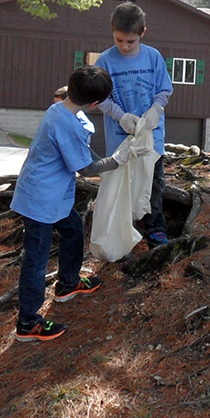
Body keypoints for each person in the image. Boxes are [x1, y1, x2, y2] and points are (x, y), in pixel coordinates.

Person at [10, 66, 139, 342]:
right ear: (94, 103)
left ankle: (68, 283)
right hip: (39, 200)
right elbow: (87, 167)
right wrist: (119, 159)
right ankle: (28, 322)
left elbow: (81, 146)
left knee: (73, 228)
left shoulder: (60, 109)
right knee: (36, 259)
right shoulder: (65, 123)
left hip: (51, 196)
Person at [94, 2, 174, 247]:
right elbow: (100, 98)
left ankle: (155, 229)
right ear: (112, 31)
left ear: (142, 33)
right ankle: (121, 235)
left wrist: (155, 109)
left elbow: (164, 89)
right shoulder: (106, 61)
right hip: (121, 139)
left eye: (130, 41)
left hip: (152, 137)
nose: (124, 46)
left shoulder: (153, 57)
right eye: (119, 40)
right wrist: (120, 116)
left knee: (154, 184)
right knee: (122, 187)